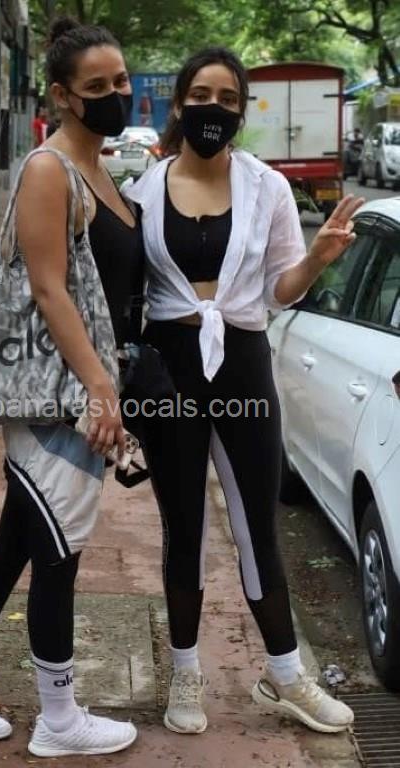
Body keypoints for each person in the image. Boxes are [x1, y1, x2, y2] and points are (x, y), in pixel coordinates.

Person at [0, 16, 143, 758]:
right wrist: (100, 388)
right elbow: (48, 289)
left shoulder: (102, 170)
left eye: (121, 80)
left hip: (79, 388)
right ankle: (59, 717)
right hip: (57, 393)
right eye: (97, 85)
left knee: (23, 532)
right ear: (63, 96)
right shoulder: (51, 169)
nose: (116, 94)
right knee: (58, 547)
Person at [124, 47, 361, 736]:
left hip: (243, 367)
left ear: (240, 110)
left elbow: (281, 291)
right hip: (170, 369)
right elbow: (130, 293)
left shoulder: (268, 187)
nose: (214, 109)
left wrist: (316, 259)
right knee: (185, 529)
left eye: (228, 99)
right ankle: (185, 671)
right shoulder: (143, 191)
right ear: (179, 104)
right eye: (201, 95)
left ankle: (285, 676)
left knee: (258, 523)